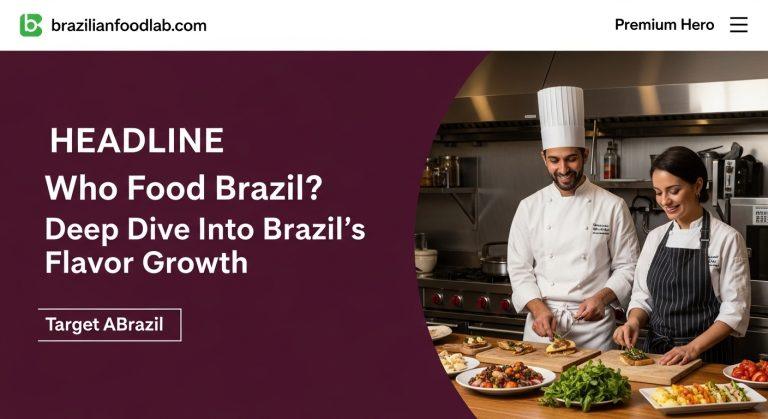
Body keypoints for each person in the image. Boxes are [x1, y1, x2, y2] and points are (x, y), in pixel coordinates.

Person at [507, 86, 639, 351]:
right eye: (554, 160)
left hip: (594, 328)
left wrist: (602, 298)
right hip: (543, 326)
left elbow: (628, 267)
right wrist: (537, 308)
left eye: (571, 159)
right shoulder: (529, 207)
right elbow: (519, 270)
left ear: (585, 155)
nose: (563, 169)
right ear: (543, 158)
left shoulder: (613, 206)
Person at [613, 146, 750, 365]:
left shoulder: (726, 238)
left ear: (697, 185)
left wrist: (692, 348)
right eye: (658, 192)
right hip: (657, 356)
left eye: (673, 190)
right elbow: (642, 296)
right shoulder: (655, 237)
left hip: (706, 357)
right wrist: (633, 322)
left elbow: (734, 311)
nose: (664, 200)